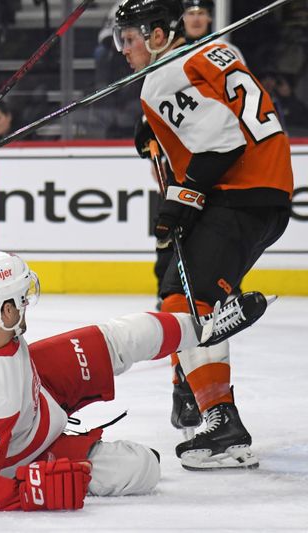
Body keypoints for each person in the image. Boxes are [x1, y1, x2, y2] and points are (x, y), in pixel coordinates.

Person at [0, 148, 271, 511]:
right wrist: (30, 492)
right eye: (19, 299)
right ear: (2, 312)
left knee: (114, 339)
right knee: (143, 467)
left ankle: (198, 329)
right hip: (16, 446)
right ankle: (58, 448)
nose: (26, 302)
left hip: (25, 386)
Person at [116, 0, 293, 469]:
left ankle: (222, 424)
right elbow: (221, 116)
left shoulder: (163, 76)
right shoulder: (214, 53)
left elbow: (220, 139)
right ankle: (190, 389)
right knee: (197, 298)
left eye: (129, 38)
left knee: (182, 300)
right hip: (267, 194)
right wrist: (155, 128)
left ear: (157, 36)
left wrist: (181, 199)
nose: (124, 49)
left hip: (237, 193)